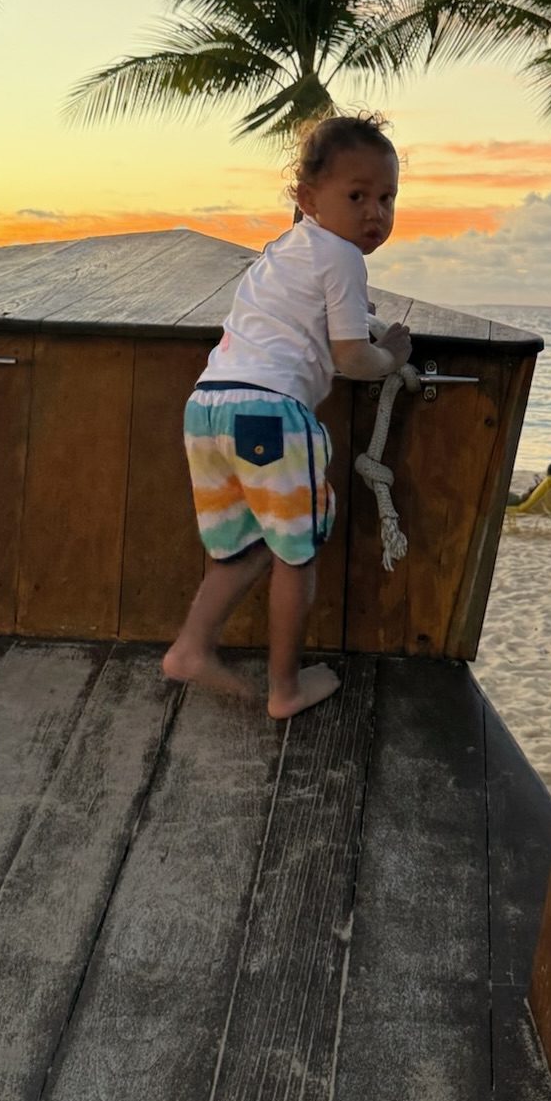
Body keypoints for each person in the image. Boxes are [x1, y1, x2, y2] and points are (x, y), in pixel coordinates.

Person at [163, 114, 412, 718]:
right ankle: (285, 689)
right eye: (357, 196)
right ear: (307, 197)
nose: (374, 212)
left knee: (243, 548)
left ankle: (191, 650)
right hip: (271, 414)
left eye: (386, 198)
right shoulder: (344, 259)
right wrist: (394, 356)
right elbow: (352, 357)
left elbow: (304, 318)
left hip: (209, 407)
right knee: (294, 556)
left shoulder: (284, 251)